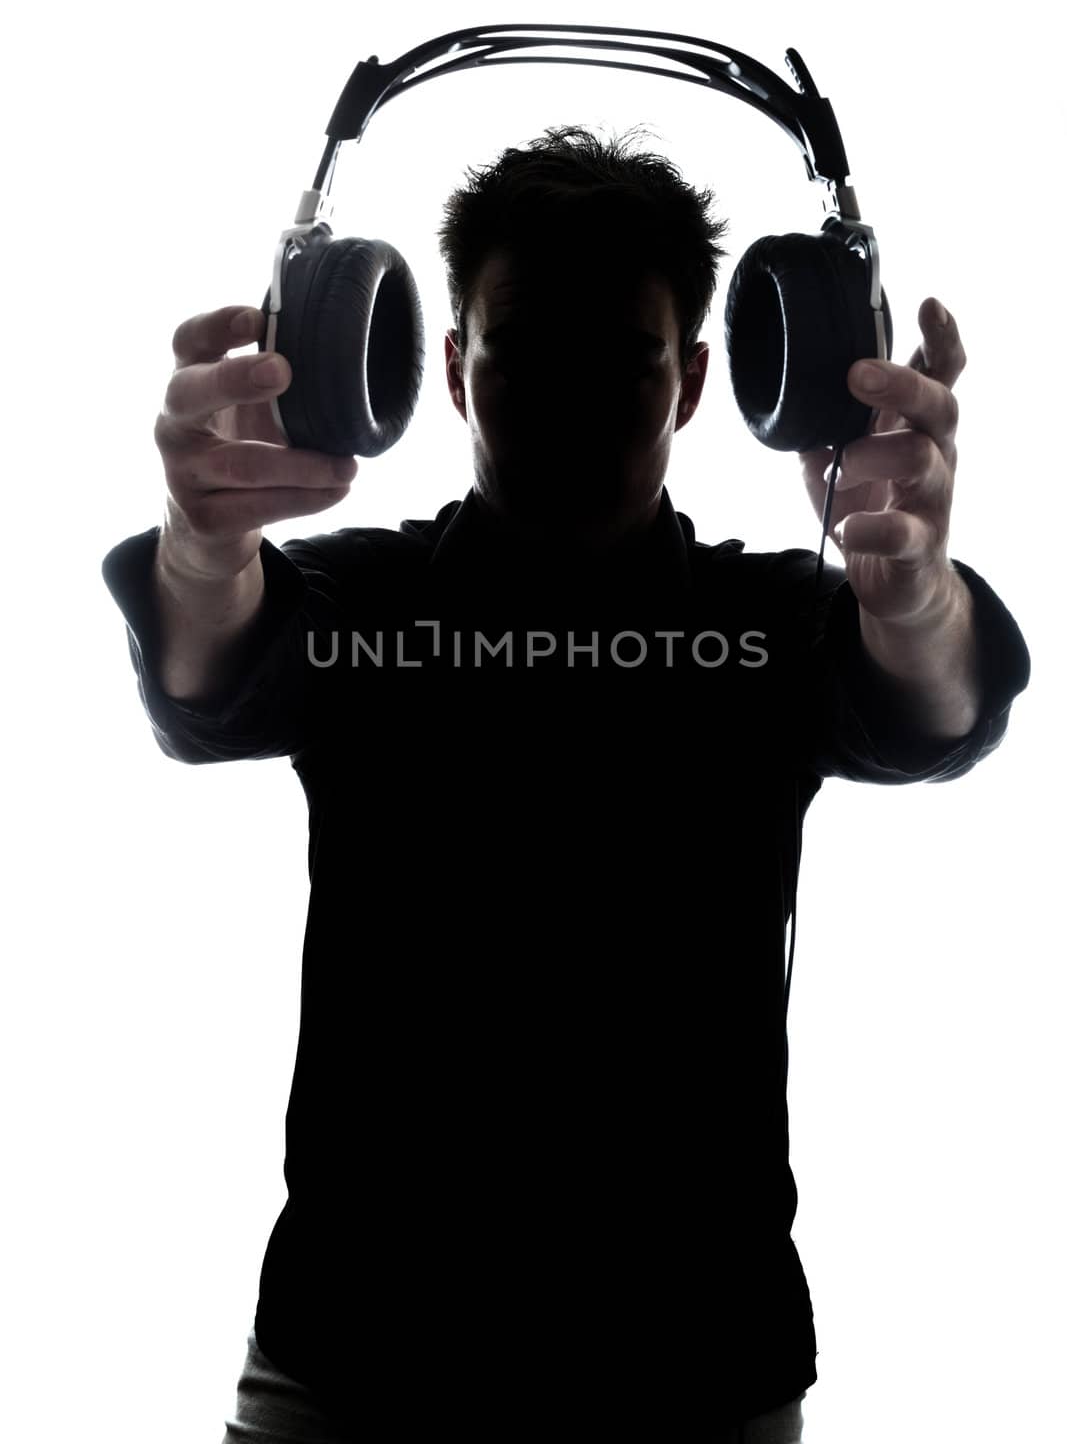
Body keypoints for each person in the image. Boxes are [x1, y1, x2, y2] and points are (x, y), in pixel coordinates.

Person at [100, 127, 1031, 1443]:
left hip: (696, 1373)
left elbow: (933, 700)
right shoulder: (361, 602)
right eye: (524, 347)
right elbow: (208, 666)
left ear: (698, 380)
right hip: (357, 1365)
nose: (575, 393)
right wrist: (202, 547)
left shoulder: (772, 625)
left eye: (627, 356)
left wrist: (919, 590)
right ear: (454, 375)